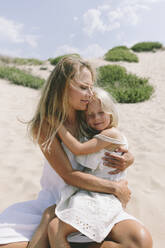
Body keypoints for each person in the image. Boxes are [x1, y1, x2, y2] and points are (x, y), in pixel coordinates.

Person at [0, 56, 152, 248]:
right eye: (83, 87)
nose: (89, 93)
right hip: (56, 200)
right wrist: (115, 188)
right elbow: (68, 175)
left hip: (92, 198)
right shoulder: (46, 124)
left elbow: (114, 139)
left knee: (140, 241)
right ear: (62, 87)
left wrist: (128, 157)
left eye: (91, 87)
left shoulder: (89, 116)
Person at [47, 87, 152, 248]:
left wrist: (58, 125)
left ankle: (60, 232)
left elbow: (79, 149)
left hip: (106, 194)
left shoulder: (112, 134)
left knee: (71, 222)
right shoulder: (97, 135)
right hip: (96, 191)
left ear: (111, 113)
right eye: (90, 115)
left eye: (101, 112)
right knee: (72, 217)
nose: (96, 118)